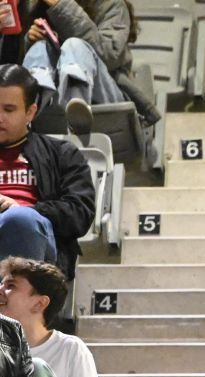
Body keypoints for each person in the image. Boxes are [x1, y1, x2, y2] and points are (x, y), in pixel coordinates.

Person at [0, 64, 95, 273]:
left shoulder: (62, 154)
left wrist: (26, 210)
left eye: (8, 109)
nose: (0, 117)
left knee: (19, 221)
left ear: (30, 112)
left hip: (35, 246)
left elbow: (80, 213)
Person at [22, 0, 156, 127]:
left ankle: (77, 107)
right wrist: (31, 39)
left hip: (106, 97)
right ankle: (31, 103)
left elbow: (108, 56)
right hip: (54, 102)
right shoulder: (41, 7)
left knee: (74, 45)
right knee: (39, 47)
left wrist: (62, 7)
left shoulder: (113, 5)